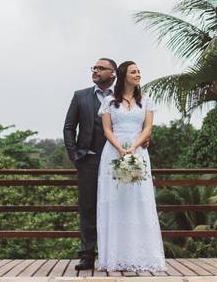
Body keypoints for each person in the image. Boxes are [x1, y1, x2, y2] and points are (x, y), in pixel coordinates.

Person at [96, 61, 166, 272]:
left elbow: (148, 128)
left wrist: (134, 147)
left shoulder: (146, 101)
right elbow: (107, 130)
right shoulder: (109, 102)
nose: (138, 75)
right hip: (113, 152)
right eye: (134, 72)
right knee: (116, 201)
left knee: (138, 201)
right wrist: (120, 149)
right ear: (123, 75)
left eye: (139, 72)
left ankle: (141, 255)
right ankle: (115, 256)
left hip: (138, 152)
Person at [63, 58, 116, 271]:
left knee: (115, 207)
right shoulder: (80, 96)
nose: (95, 71)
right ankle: (87, 256)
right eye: (94, 67)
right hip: (89, 161)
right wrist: (75, 155)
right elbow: (68, 128)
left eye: (101, 68)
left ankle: (112, 254)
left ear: (112, 73)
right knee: (87, 209)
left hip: (115, 162)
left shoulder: (122, 96)